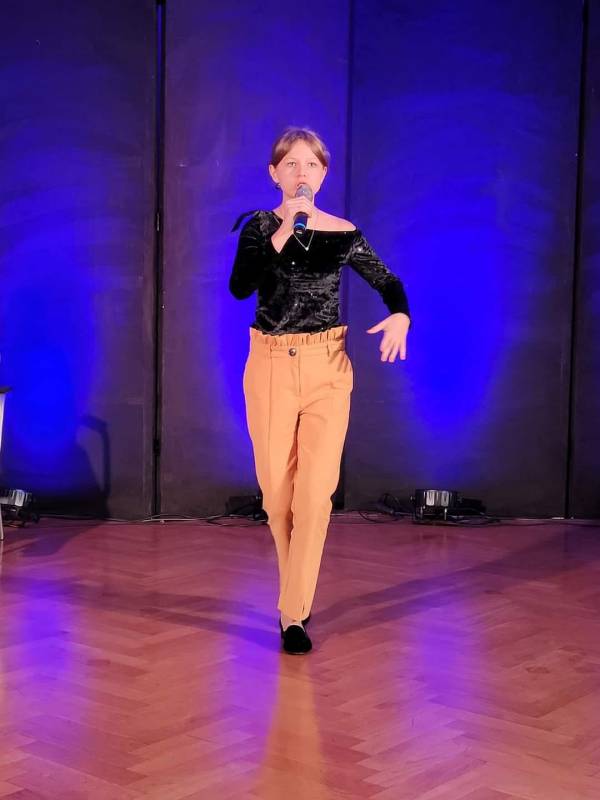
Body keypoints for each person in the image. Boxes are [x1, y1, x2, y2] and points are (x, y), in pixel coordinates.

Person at [229, 127, 410, 654]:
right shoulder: (260, 227)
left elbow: (387, 281)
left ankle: (293, 614)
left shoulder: (344, 232)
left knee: (315, 496)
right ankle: (296, 598)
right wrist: (289, 227)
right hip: (270, 365)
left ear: (324, 175)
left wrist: (401, 314)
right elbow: (241, 286)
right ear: (275, 174)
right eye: (291, 164)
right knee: (277, 497)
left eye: (311, 164)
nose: (301, 173)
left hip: (327, 366)